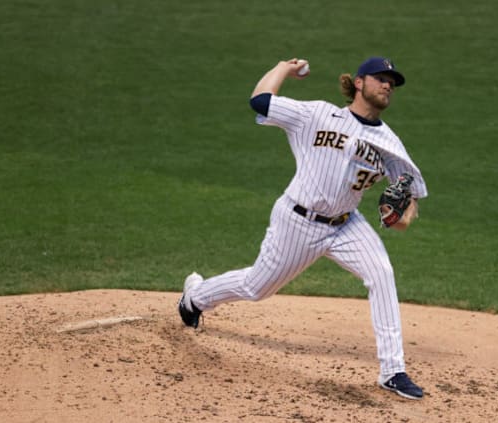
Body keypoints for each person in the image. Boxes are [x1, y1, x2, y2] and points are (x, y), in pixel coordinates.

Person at [178, 56, 428, 400]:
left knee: (382, 273)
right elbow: (260, 100)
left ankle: (392, 371)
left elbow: (407, 202)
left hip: (347, 225)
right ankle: (195, 298)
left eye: (392, 82)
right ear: (359, 82)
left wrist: (399, 216)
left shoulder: (390, 144)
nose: (388, 85)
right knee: (257, 287)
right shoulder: (317, 114)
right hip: (298, 221)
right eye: (381, 78)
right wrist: (283, 68)